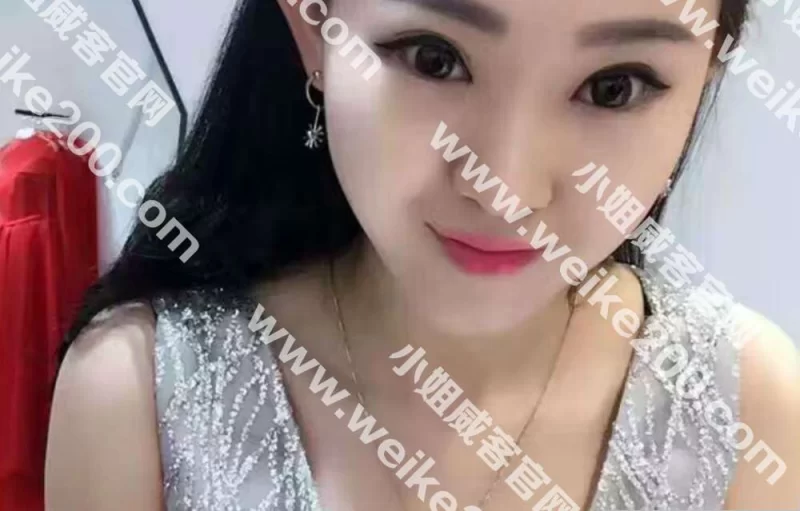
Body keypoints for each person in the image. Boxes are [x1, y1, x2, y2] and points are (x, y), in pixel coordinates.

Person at [44, 0, 800, 509]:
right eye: (434, 58)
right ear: (314, 28)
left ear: (702, 83)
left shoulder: (744, 412)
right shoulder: (141, 397)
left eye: (614, 87)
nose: (506, 187)